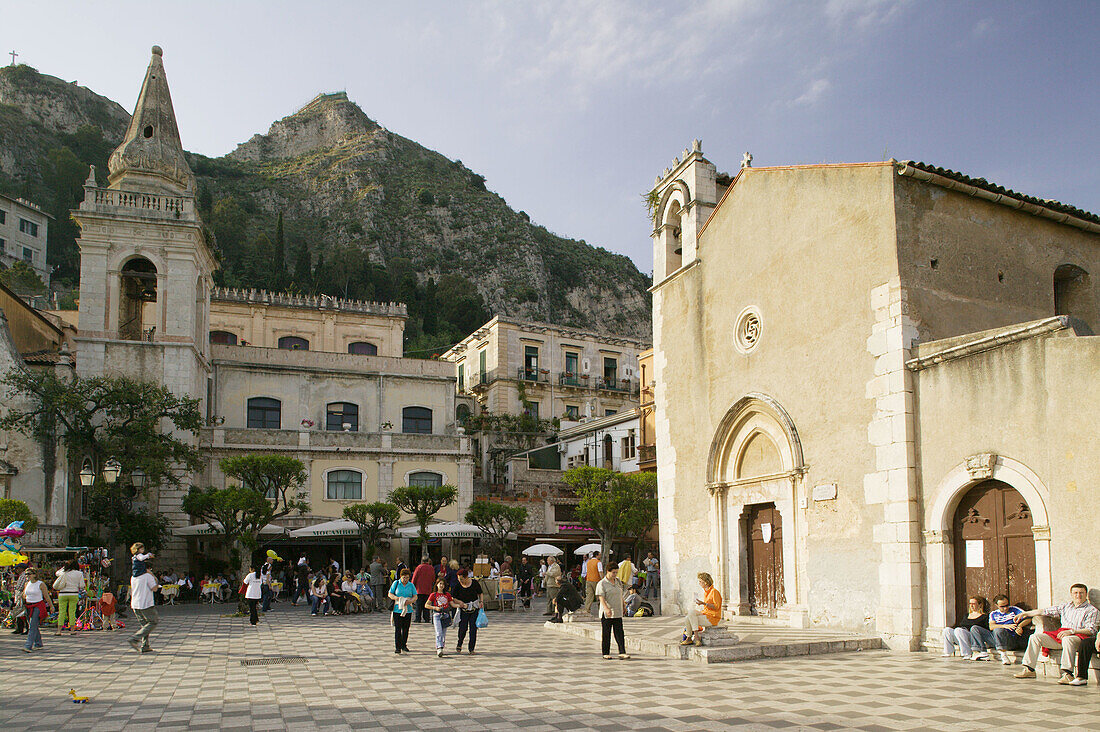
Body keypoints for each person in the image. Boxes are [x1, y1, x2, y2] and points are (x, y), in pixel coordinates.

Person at [1014, 583, 1099, 685]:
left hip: (1078, 637)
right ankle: (1029, 669)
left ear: (1086, 594)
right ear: (1071, 594)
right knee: (1035, 637)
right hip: (1061, 635)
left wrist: (1072, 631)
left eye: (1081, 593)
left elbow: (1091, 630)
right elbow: (1044, 611)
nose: (1078, 595)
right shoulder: (1066, 607)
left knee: (1068, 639)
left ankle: (1067, 674)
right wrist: (1026, 613)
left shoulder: (1092, 610)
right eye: (1075, 593)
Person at [977, 594, 1032, 664]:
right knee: (975, 629)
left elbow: (1028, 618)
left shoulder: (1014, 610)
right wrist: (1004, 626)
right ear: (997, 605)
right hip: (996, 637)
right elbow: (991, 626)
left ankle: (1003, 655)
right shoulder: (993, 614)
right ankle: (982, 652)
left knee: (998, 630)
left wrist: (1020, 626)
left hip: (1010, 639)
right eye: (1002, 606)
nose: (1005, 608)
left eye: (1007, 605)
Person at [596, 562, 629, 660]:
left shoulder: (618, 581)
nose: (615, 575)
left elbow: (621, 594)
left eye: (616, 572)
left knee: (619, 632)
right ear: (608, 571)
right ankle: (605, 652)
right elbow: (601, 597)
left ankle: (622, 652)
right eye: (613, 572)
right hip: (607, 612)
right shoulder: (602, 583)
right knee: (606, 633)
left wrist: (623, 605)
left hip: (617, 610)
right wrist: (606, 608)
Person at [682, 572, 723, 646]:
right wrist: (701, 603)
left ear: (706, 582)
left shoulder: (714, 592)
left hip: (712, 618)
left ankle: (695, 637)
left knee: (689, 617)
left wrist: (704, 603)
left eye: (700, 581)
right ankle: (689, 637)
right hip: (706, 614)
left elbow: (716, 606)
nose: (699, 583)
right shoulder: (706, 592)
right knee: (688, 616)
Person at [128, 565, 160, 653]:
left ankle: (145, 645)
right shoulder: (148, 576)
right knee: (153, 622)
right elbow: (155, 588)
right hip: (145, 604)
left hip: (135, 604)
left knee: (145, 626)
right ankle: (135, 638)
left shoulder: (134, 577)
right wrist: (154, 576)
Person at [21, 568, 53, 653]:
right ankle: (38, 643)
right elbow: (24, 595)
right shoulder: (27, 584)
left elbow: (46, 596)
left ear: (34, 575)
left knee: (32, 625)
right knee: (32, 625)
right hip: (28, 606)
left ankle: (28, 645)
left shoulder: (40, 584)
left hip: (38, 606)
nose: (27, 576)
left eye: (29, 574)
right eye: (26, 574)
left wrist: (51, 606)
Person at [452, 569, 484, 654]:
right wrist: (460, 602)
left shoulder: (474, 583)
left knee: (473, 629)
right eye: (458, 579)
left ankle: (471, 648)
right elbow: (453, 597)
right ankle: (460, 643)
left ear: (466, 577)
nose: (460, 580)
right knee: (463, 628)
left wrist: (481, 602)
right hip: (463, 609)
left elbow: (480, 593)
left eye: (461, 579)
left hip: (474, 608)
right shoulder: (457, 586)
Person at [426, 577, 457, 657]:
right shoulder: (433, 595)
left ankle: (441, 646)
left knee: (443, 633)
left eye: (443, 584)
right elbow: (426, 605)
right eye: (440, 584)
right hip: (436, 614)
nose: (441, 585)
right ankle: (439, 647)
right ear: (437, 585)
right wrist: (434, 608)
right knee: (438, 632)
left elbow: (452, 604)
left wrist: (460, 605)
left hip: (445, 615)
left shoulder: (447, 595)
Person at [389, 568, 417, 653]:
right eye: (404, 577)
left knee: (406, 628)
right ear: (401, 577)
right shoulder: (396, 583)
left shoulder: (411, 585)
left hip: (407, 609)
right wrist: (396, 598)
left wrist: (410, 601)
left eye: (407, 578)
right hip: (397, 609)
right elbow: (390, 593)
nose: (405, 580)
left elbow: (415, 596)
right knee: (398, 628)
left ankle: (404, 644)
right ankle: (398, 646)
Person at [53, 559, 84, 635]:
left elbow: (56, 573)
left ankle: (59, 630)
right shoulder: (79, 573)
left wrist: (64, 567)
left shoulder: (63, 573)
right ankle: (72, 630)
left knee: (62, 612)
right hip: (73, 594)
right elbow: (82, 585)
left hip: (63, 594)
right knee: (72, 612)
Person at [412, 556, 436, 623]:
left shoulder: (419, 567)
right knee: (427, 605)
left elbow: (414, 578)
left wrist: (412, 587)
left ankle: (418, 618)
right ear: (428, 561)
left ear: (422, 561)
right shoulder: (431, 568)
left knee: (418, 605)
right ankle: (427, 618)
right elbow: (433, 578)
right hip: (428, 589)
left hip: (419, 589)